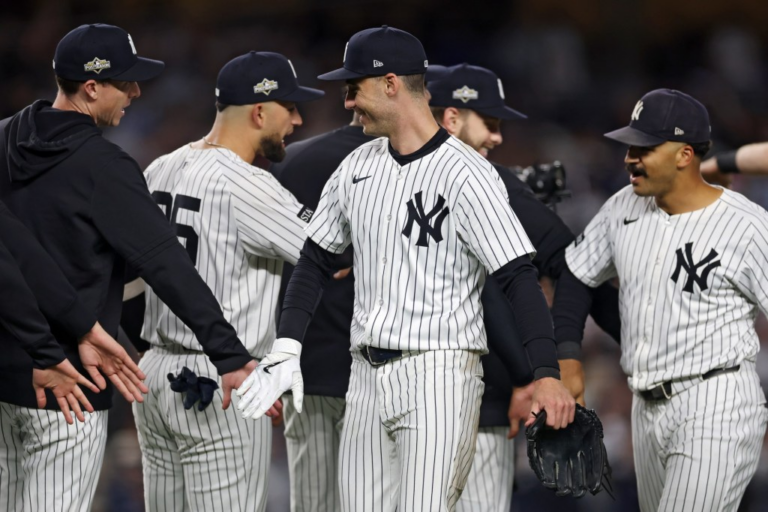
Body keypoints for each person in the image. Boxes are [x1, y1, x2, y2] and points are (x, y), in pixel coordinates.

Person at [238, 26, 575, 512]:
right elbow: (315, 259)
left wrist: (545, 371)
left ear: (391, 84)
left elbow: (518, 276)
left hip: (438, 373)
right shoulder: (356, 167)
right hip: (364, 378)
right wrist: (288, 346)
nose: (348, 102)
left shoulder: (468, 173)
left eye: (355, 88)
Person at [0, 24, 256, 511]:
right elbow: (166, 265)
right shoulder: (104, 165)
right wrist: (228, 354)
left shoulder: (3, 139)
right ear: (91, 87)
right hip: (70, 385)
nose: (136, 92)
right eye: (125, 82)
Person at [426, 62, 622, 511]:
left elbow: (573, 261)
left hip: (486, 409)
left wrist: (555, 363)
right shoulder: (379, 178)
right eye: (490, 124)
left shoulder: (496, 185)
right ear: (451, 118)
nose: (497, 138)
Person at [134, 51, 324, 511]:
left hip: (154, 374)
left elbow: (129, 279)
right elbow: (330, 256)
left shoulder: (160, 167)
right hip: (223, 378)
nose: (296, 120)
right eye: (290, 108)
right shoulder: (249, 184)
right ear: (259, 111)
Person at [566, 88, 768, 511]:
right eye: (629, 146)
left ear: (684, 155)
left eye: (646, 147)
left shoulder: (746, 226)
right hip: (645, 406)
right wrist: (566, 359)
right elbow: (575, 273)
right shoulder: (623, 206)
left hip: (716, 401)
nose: (629, 158)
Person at [269, 112, 366, 512]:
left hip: (304, 363)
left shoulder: (292, 159)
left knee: (312, 502)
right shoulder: (403, 161)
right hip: (377, 369)